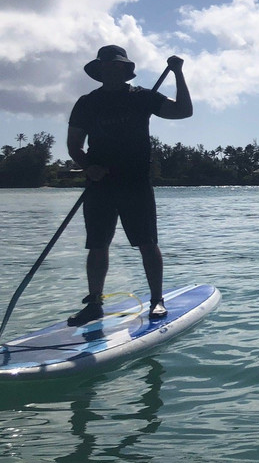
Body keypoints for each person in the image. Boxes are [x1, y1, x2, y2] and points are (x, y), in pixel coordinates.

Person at [65, 45, 193, 325]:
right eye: (106, 66)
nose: (111, 70)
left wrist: (178, 73)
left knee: (147, 243)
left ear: (125, 69)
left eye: (117, 65)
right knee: (97, 245)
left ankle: (157, 300)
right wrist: (89, 167)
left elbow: (183, 111)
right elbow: (74, 145)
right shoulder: (87, 103)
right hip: (100, 184)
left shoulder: (142, 97)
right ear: (99, 70)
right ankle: (94, 304)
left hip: (135, 184)